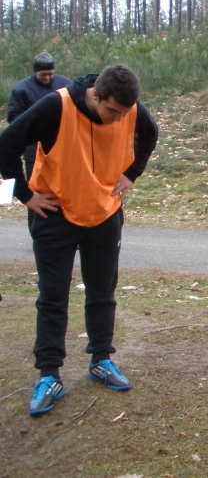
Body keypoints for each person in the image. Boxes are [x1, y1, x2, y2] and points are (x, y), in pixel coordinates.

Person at [0, 64, 158, 416]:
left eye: (125, 113)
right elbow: (7, 144)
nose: (118, 120)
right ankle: (49, 374)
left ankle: (101, 359)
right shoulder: (56, 106)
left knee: (102, 292)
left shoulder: (130, 109)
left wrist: (132, 173)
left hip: (105, 213)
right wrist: (25, 194)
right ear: (96, 95)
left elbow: (150, 134)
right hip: (54, 214)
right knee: (53, 295)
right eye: (112, 111)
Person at [7, 51, 71, 180]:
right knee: (35, 184)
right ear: (35, 71)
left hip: (62, 146)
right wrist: (34, 128)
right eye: (42, 74)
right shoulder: (21, 89)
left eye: (50, 73)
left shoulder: (65, 83)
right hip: (34, 148)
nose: (47, 77)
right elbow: (14, 117)